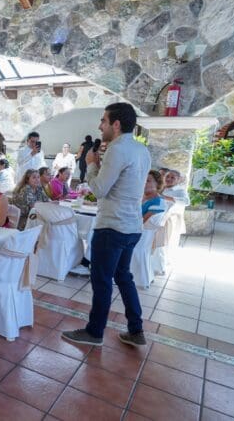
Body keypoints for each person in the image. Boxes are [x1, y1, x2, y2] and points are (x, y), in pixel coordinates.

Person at [62, 102, 151, 348]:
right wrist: (99, 167)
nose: (100, 126)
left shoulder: (117, 149)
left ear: (116, 124)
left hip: (112, 226)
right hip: (132, 226)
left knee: (101, 280)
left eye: (103, 120)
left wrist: (91, 163)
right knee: (123, 277)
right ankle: (136, 330)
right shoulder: (141, 150)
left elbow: (100, 189)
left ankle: (94, 332)